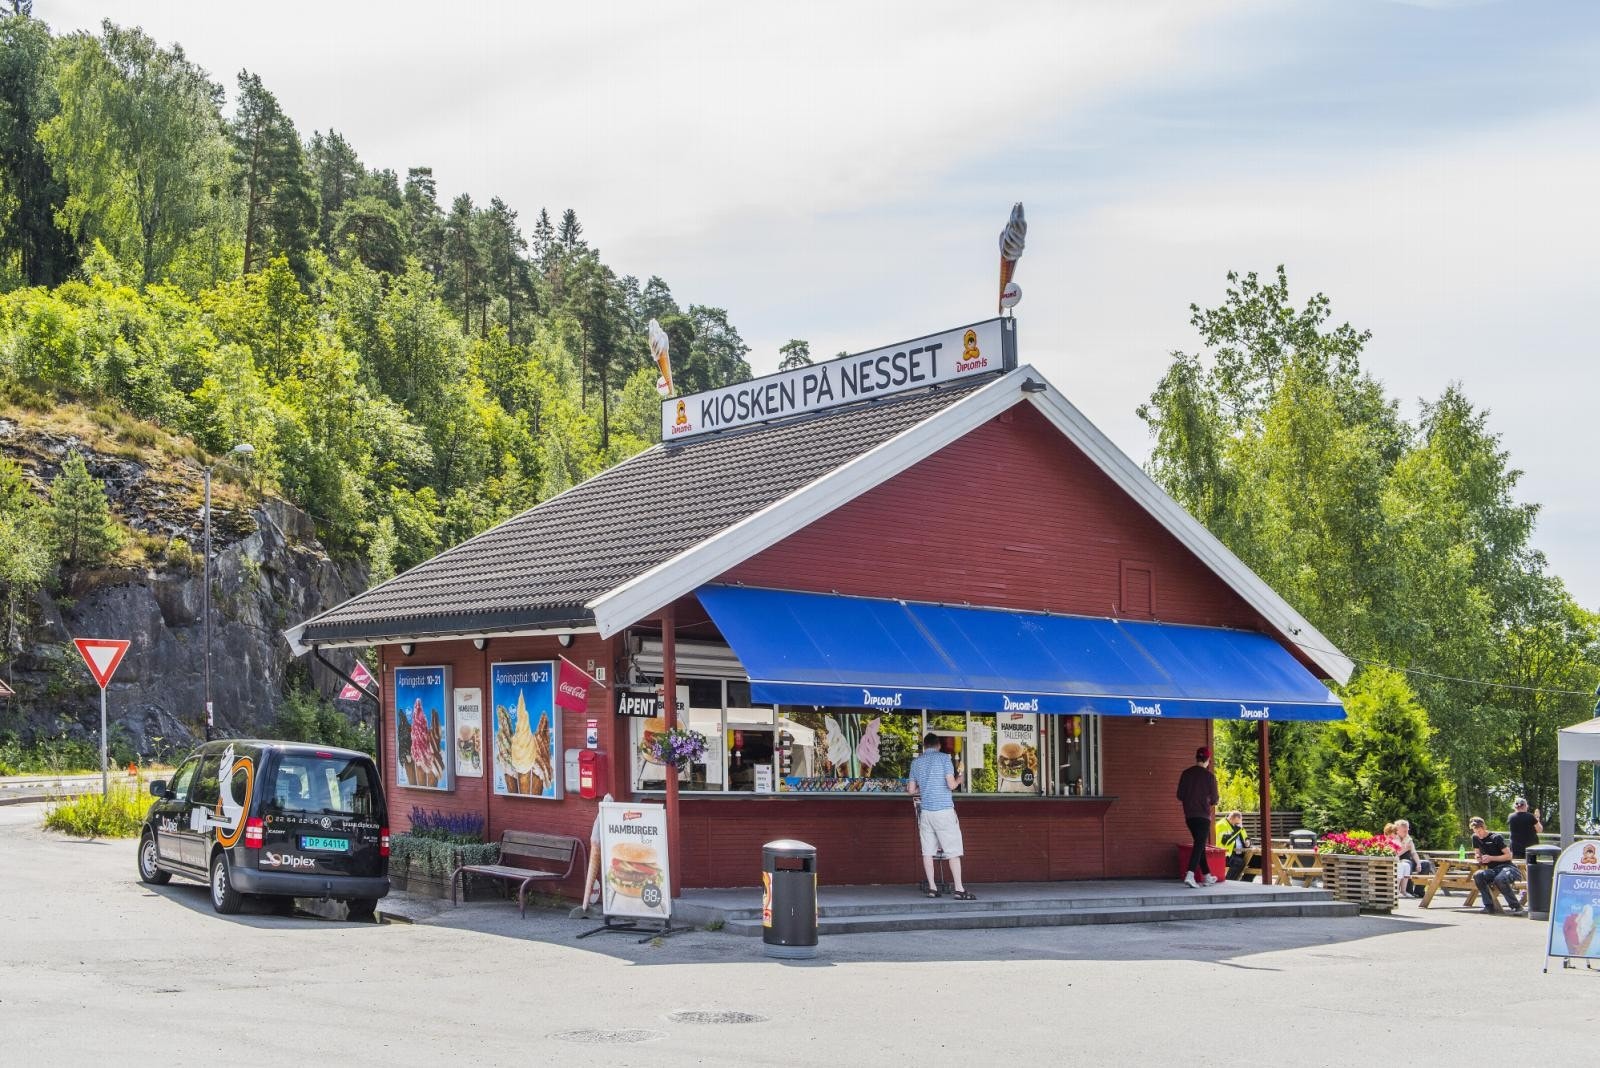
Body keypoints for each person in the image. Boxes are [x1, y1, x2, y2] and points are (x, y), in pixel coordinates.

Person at [908, 734, 975, 900]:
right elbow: (951, 785)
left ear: (924, 746)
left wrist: (925, 788)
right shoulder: (945, 759)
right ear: (938, 745)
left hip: (926, 812)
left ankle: (932, 888)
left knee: (927, 851)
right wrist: (960, 779)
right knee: (952, 851)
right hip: (944, 811)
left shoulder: (916, 763)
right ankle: (959, 889)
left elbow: (911, 790)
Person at [1177, 746, 1219, 888]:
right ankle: (1190, 875)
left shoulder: (1186, 774)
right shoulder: (1209, 777)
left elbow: (1180, 795)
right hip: (1203, 816)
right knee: (1199, 844)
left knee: (1199, 844)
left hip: (1189, 816)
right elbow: (1215, 799)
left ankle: (1206, 875)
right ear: (1208, 759)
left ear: (1196, 758)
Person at [1468, 816, 1522, 915]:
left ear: (1484, 827)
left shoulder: (1496, 838)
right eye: (1475, 831)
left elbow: (1509, 856)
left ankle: (1516, 906)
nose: (1478, 834)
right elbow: (1477, 853)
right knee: (1478, 875)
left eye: (1479, 831)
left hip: (1507, 868)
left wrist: (1491, 858)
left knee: (1500, 879)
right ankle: (1489, 906)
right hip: (1492, 870)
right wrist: (1478, 857)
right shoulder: (1475, 838)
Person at [1391, 819, 1423, 899]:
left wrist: (1418, 863)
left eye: (1407, 830)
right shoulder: (1394, 838)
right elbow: (1394, 854)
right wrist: (1405, 849)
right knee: (1407, 863)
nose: (1406, 832)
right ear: (1398, 830)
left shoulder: (1408, 838)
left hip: (1408, 859)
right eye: (1404, 831)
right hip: (1399, 860)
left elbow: (1414, 853)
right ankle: (1408, 891)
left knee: (1425, 864)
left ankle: (1419, 892)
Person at [1215, 809, 1250, 880]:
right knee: (1239, 862)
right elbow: (1225, 841)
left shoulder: (1238, 825)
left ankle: (1245, 882)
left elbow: (1246, 837)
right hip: (1226, 855)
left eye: (1239, 823)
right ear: (1231, 819)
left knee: (1257, 861)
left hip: (1241, 853)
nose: (1238, 825)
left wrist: (1248, 842)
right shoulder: (1221, 824)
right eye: (1236, 823)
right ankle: (1228, 882)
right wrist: (1237, 829)